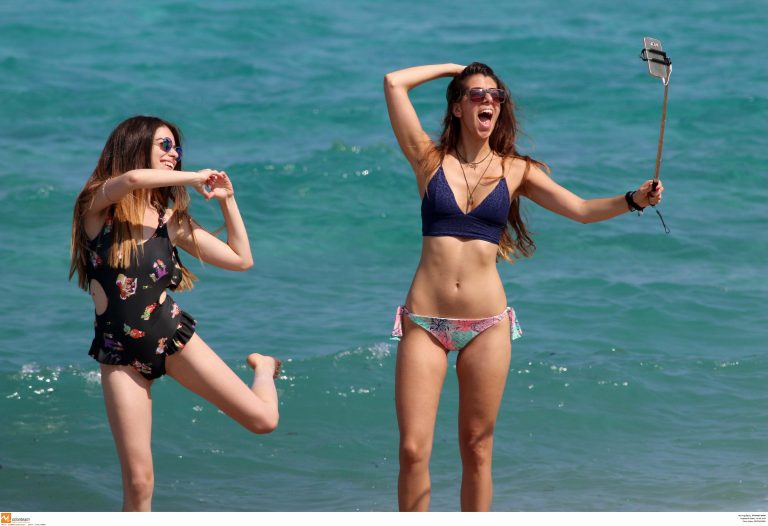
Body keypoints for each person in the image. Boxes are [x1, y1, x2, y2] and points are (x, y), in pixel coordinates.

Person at [384, 63, 664, 511]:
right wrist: (457, 69)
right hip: (426, 322)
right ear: (457, 108)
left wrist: (634, 199)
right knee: (413, 450)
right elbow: (394, 83)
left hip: (486, 325)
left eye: (495, 96)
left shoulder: (515, 170)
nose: (488, 101)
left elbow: (581, 210)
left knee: (477, 448)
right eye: (476, 95)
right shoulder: (429, 159)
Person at [69, 115, 281, 511]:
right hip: (120, 355)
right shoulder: (97, 206)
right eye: (164, 146)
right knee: (139, 482)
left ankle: (264, 367)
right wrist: (195, 177)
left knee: (263, 421)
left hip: (171, 335)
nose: (174, 154)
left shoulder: (170, 221)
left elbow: (241, 259)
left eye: (176, 148)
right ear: (136, 147)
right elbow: (133, 180)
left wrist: (228, 200)